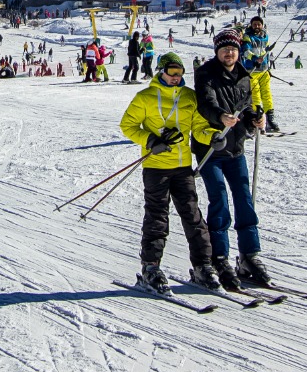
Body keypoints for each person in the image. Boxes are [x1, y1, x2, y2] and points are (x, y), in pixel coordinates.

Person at [118, 51, 220, 296]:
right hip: (155, 167)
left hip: (182, 166)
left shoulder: (188, 96)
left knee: (193, 216)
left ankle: (202, 266)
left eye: (180, 74)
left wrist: (211, 136)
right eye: (172, 73)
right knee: (157, 217)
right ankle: (150, 267)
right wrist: (151, 140)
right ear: (161, 71)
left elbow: (198, 126)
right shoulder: (145, 97)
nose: (176, 78)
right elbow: (128, 125)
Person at [191, 30, 276, 291]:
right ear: (217, 51)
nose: (229, 53)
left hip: (236, 148)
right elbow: (205, 104)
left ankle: (250, 256)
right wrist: (220, 117)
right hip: (211, 149)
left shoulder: (244, 76)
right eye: (225, 49)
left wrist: (255, 119)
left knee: (244, 200)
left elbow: (248, 106)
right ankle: (219, 258)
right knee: (219, 201)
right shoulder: (206, 73)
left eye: (234, 49)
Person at [241, 16, 280, 134]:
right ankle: (256, 120)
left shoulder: (265, 37)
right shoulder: (247, 36)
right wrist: (254, 59)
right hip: (252, 71)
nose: (257, 27)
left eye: (259, 24)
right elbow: (246, 51)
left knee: (267, 94)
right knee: (256, 96)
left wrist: (267, 67)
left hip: (263, 71)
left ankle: (270, 120)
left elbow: (266, 54)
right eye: (254, 24)